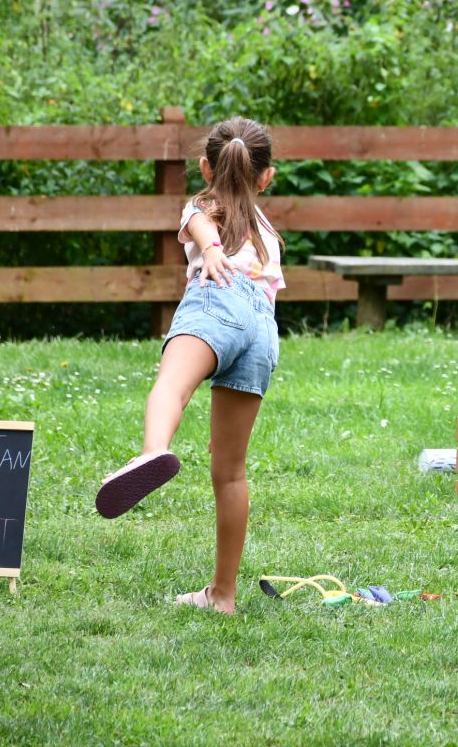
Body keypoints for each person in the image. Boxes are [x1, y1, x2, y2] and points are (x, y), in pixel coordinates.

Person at [95, 118, 285, 615]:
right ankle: (223, 595)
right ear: (266, 177)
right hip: (262, 331)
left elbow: (200, 220)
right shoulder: (268, 232)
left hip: (216, 301)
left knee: (171, 388)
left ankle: (152, 452)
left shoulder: (205, 206)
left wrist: (211, 248)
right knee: (230, 472)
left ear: (205, 167)